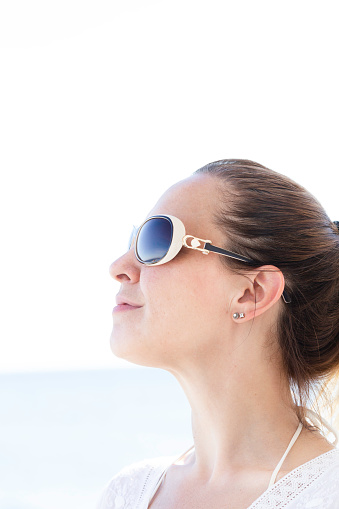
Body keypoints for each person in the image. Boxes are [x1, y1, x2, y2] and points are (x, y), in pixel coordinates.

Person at [98, 159, 339, 509]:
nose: (119, 267)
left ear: (251, 292)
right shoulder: (128, 493)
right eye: (132, 241)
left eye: (156, 239)